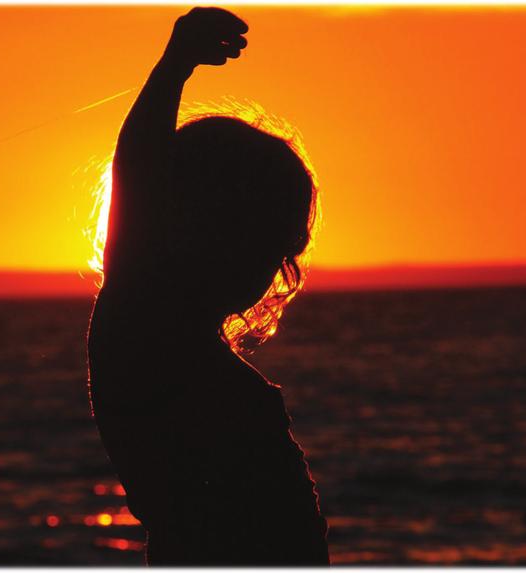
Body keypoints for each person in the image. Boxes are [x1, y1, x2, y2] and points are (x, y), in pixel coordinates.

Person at [86, 6, 329, 565]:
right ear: (185, 221)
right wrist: (173, 68)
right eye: (256, 237)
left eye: (280, 249)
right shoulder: (144, 338)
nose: (268, 265)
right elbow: (141, 171)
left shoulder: (166, 344)